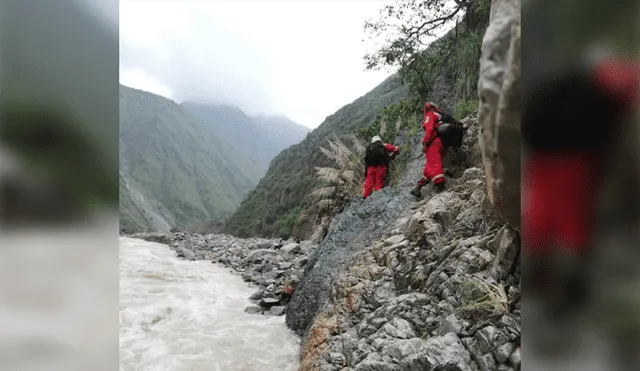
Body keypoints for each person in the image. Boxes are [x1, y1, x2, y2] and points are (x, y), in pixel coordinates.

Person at [410, 102, 447, 197]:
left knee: (434, 163)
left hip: (434, 143)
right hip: (441, 143)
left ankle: (440, 185)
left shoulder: (430, 115)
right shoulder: (439, 115)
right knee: (429, 167)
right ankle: (418, 187)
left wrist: (425, 141)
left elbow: (429, 128)